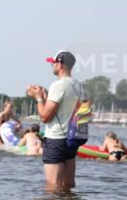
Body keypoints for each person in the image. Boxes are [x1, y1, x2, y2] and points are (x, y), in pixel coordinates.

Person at [26, 50, 89, 191]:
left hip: (56, 139)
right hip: (72, 139)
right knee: (68, 185)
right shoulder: (80, 86)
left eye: (53, 63)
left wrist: (38, 98)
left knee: (52, 186)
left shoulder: (58, 85)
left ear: (60, 64)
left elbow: (45, 117)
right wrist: (46, 96)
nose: (52, 65)